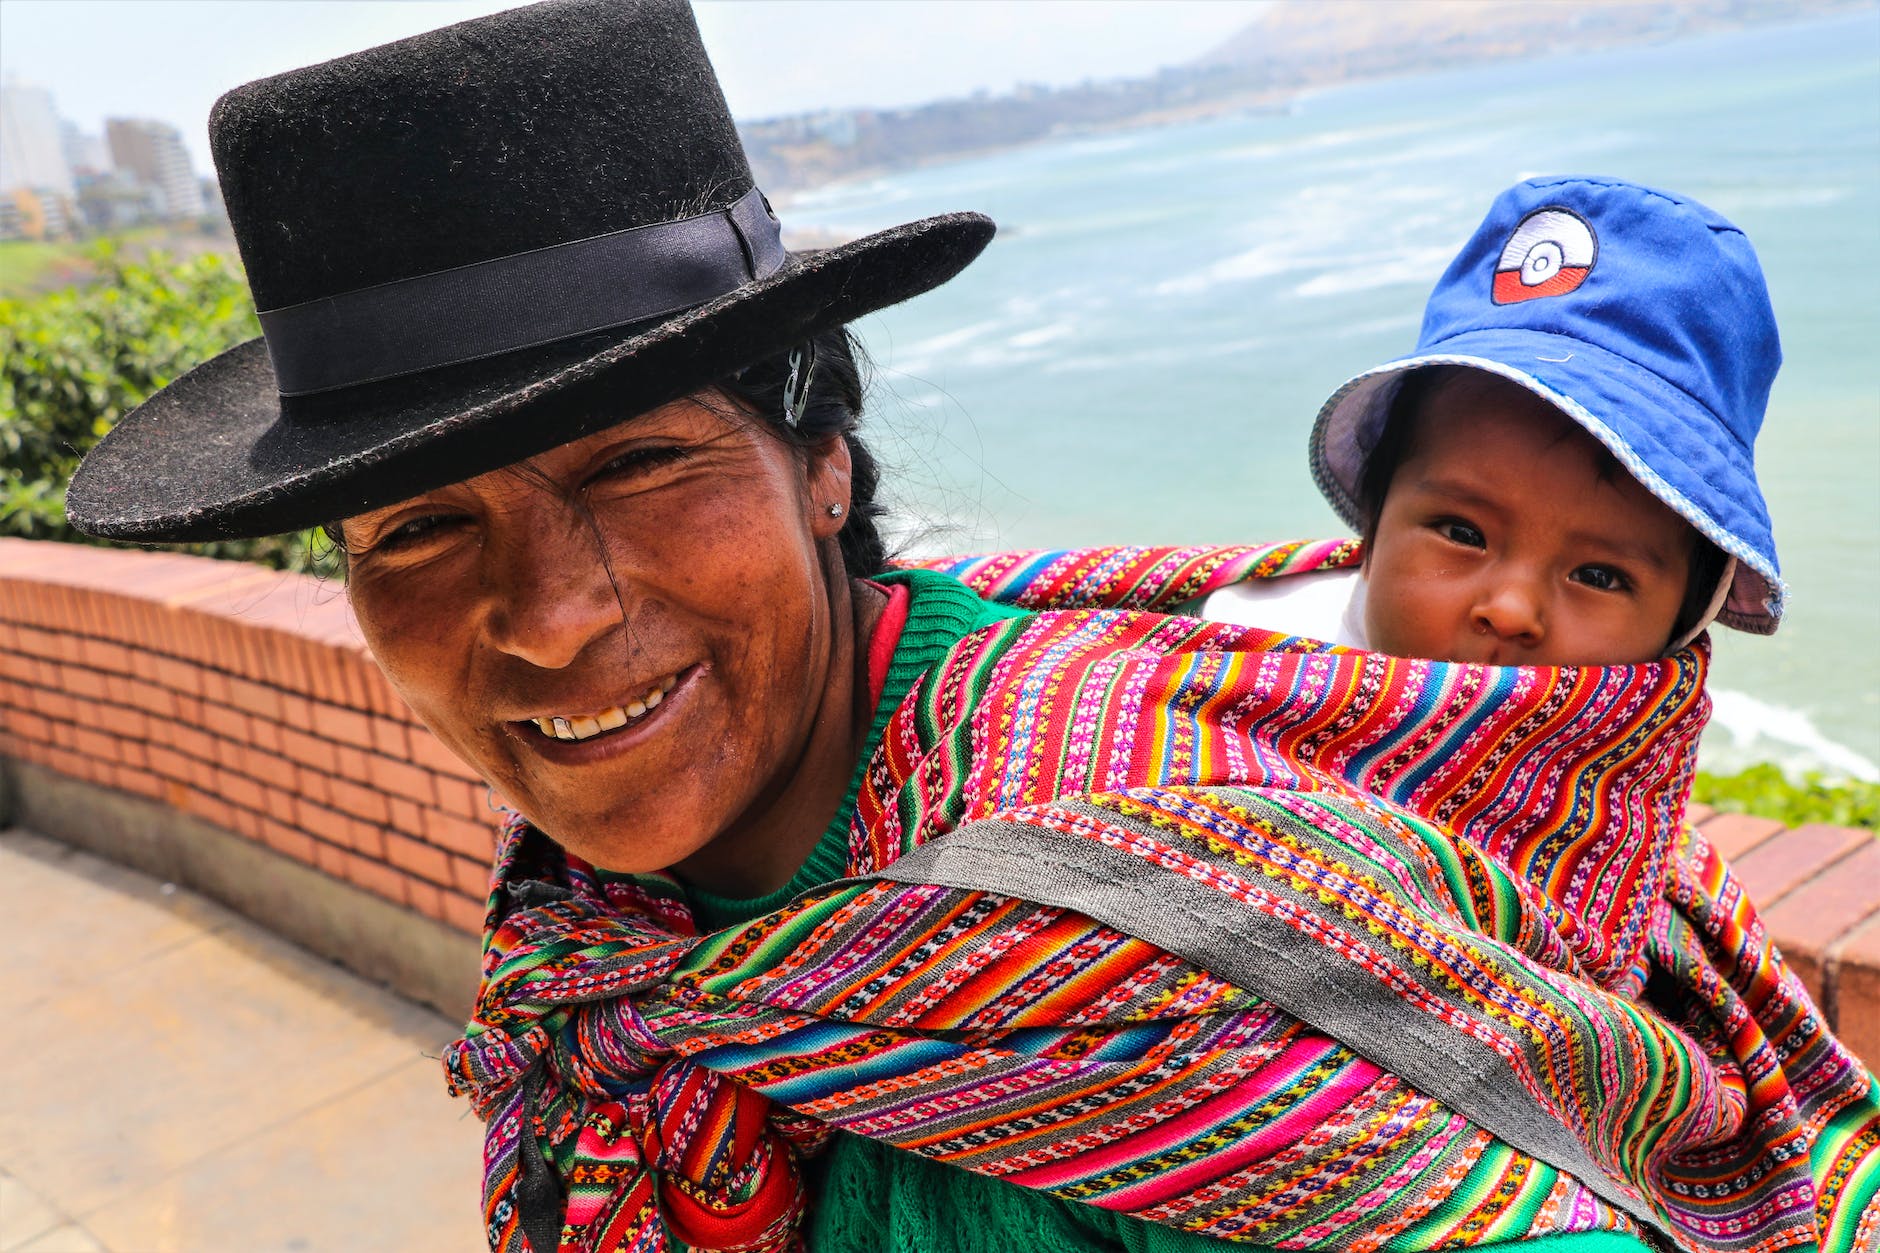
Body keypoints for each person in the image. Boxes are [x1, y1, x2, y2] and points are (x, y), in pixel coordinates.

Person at [64, 5, 1877, 1253]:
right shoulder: (613, 927)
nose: (545, 618)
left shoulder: (1133, 917)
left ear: (824, 459)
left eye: (638, 464)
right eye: (422, 525)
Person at [1200, 177, 1769, 668]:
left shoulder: (1636, 748)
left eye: (1599, 577)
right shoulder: (1231, 659)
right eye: (1461, 534)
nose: (1510, 612)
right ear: (1374, 528)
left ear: (1689, 617)